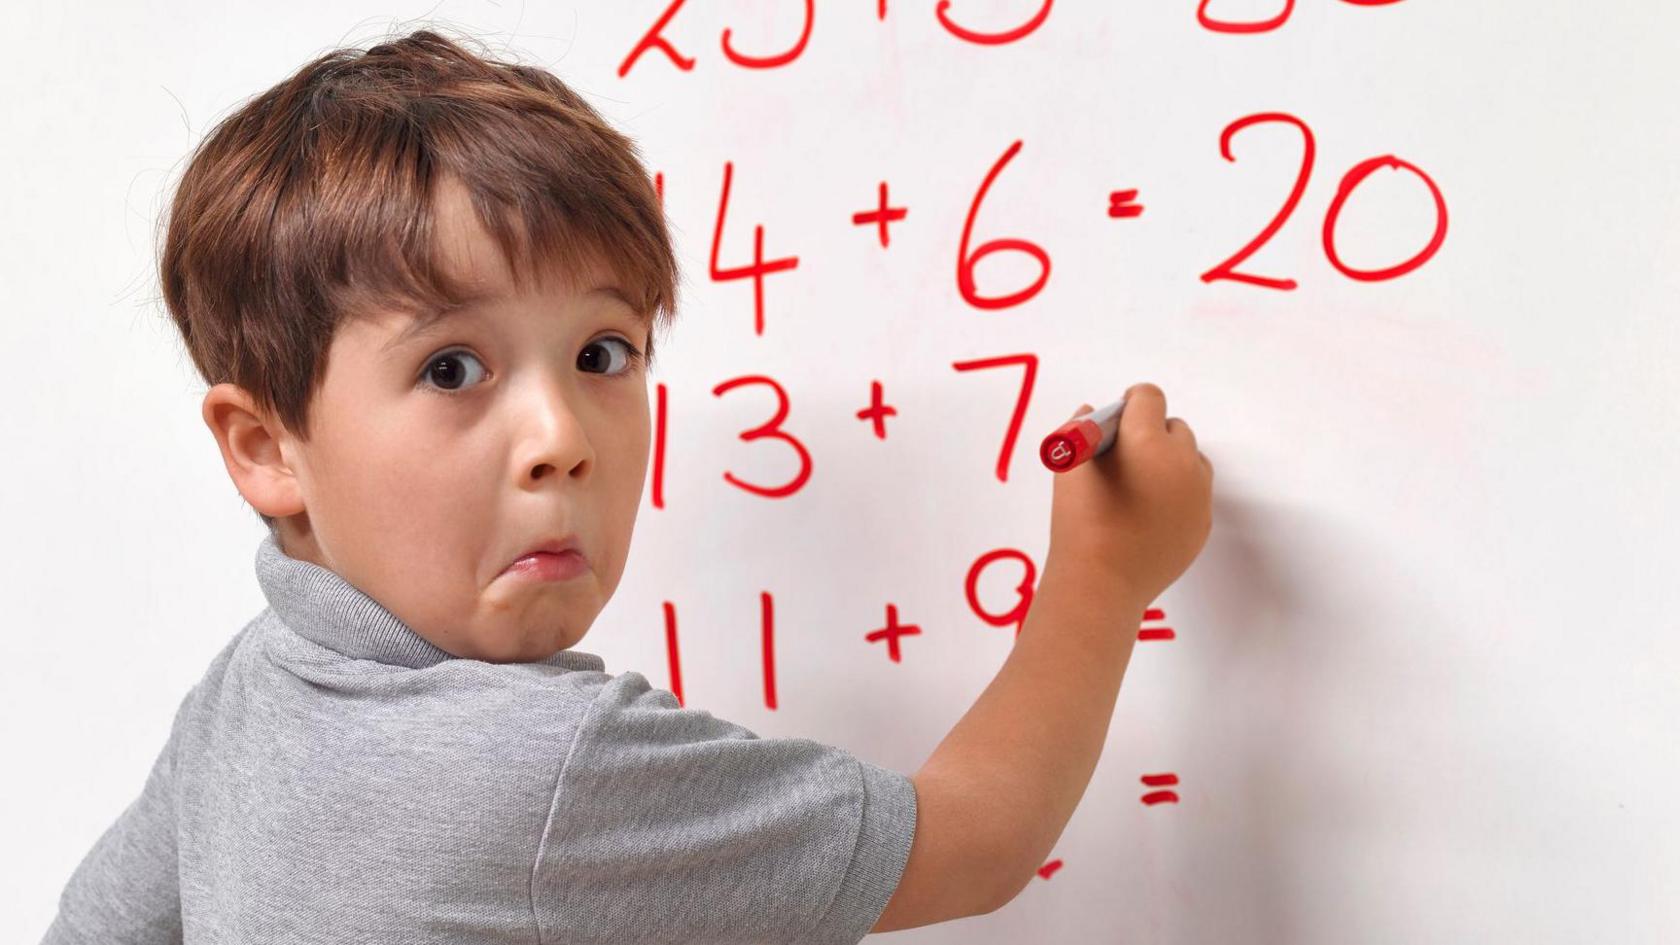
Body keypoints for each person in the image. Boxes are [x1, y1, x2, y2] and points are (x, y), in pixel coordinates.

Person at [41, 26, 1214, 945]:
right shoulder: (545, 771)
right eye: (453, 369)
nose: (562, 437)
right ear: (264, 447)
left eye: (603, 354)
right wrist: (1107, 573)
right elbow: (979, 843)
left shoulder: (250, 693)